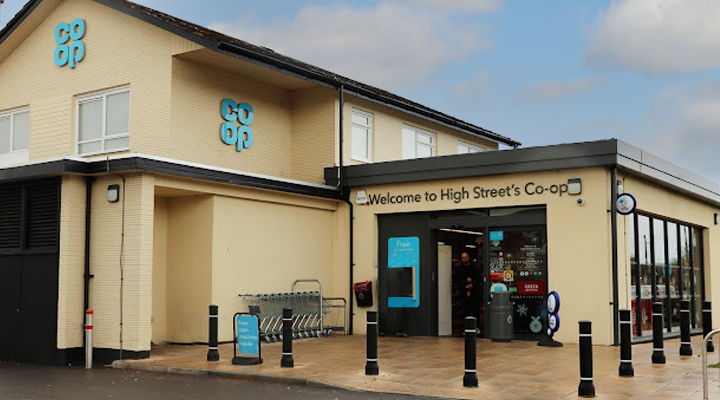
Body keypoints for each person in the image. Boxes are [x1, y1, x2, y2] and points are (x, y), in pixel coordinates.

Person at [455, 252, 480, 321]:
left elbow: (479, 278)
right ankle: (465, 327)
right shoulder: (459, 268)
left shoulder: (474, 267)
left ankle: (476, 326)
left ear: (469, 257)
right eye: (463, 258)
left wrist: (473, 283)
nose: (465, 259)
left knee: (475, 310)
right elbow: (457, 279)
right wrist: (465, 284)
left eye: (466, 257)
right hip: (463, 292)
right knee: (465, 310)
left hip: (474, 292)